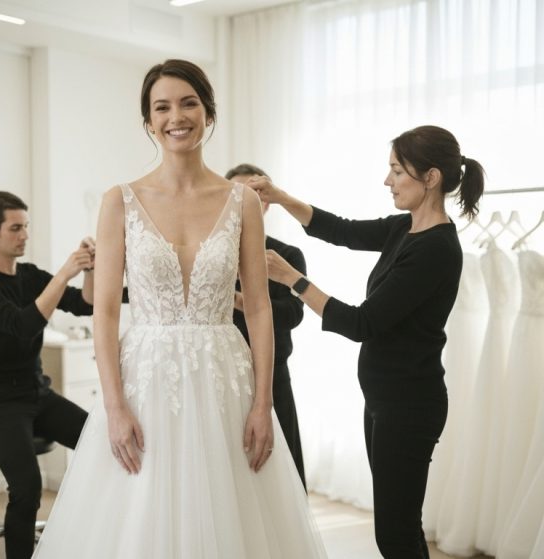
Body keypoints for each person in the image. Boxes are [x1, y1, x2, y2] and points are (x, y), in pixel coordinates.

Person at [31, 59, 326, 558]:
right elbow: (105, 312)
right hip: (145, 381)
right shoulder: (119, 201)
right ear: (148, 121)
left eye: (189, 103)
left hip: (225, 379)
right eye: (162, 107)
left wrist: (262, 404)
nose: (176, 117)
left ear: (208, 113)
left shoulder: (242, 202)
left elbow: (258, 309)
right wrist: (114, 407)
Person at [248, 124, 485, 558]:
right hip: (384, 401)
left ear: (430, 178)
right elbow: (342, 230)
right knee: (401, 530)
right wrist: (280, 197)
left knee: (394, 536)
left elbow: (362, 323)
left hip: (409, 407)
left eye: (397, 171)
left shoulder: (436, 249)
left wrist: (292, 279)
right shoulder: (405, 229)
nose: (387, 181)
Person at [0, 190, 95, 559]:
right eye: (15, 228)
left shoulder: (30, 276)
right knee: (27, 487)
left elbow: (84, 304)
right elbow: (22, 325)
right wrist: (64, 272)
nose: (25, 235)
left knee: (100, 442)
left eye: (26, 226)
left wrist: (90, 270)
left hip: (37, 393)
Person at [226, 163, 308, 488]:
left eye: (254, 194)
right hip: (223, 374)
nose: (244, 201)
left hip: (273, 375)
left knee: (282, 475)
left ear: (267, 203)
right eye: (236, 194)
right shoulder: (210, 253)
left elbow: (294, 314)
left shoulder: (286, 254)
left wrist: (239, 300)